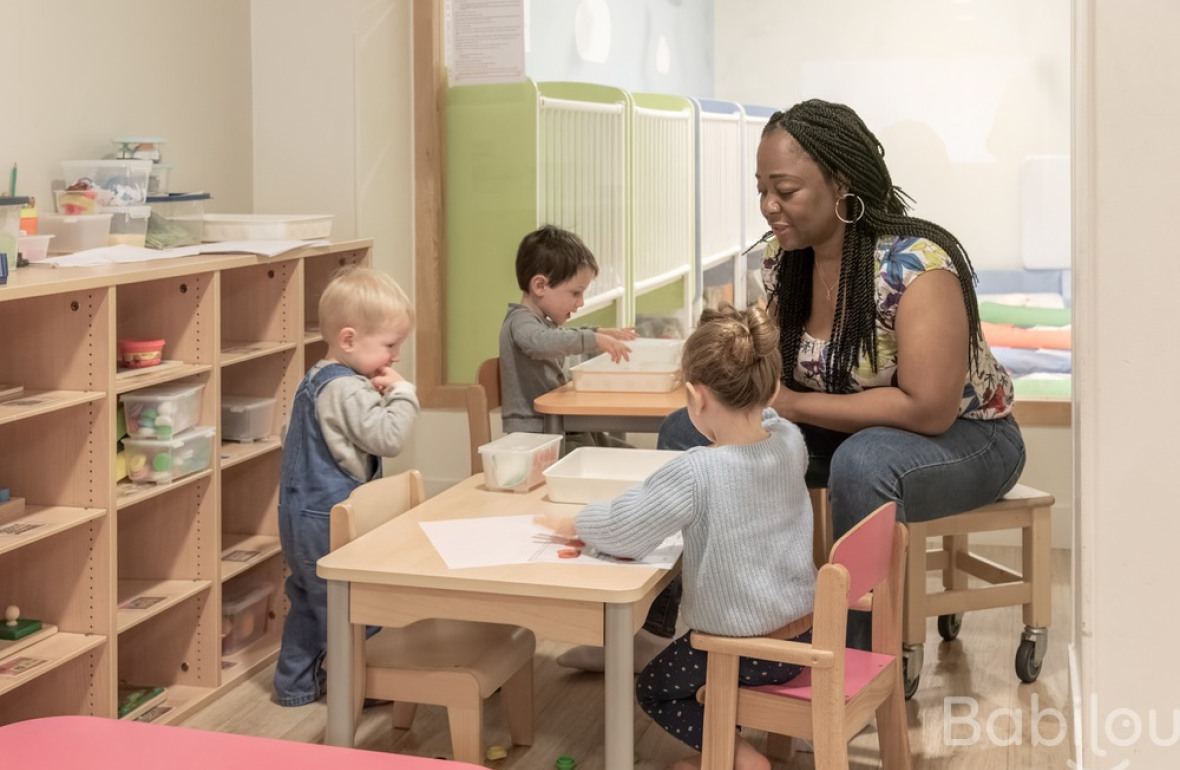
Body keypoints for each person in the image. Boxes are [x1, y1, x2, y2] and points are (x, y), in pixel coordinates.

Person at [659, 99, 1026, 647]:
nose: (768, 206)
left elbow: (928, 409)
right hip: (845, 430)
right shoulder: (788, 260)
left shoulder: (916, 268)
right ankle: (686, 628)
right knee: (686, 430)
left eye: (785, 191)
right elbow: (773, 368)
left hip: (968, 439)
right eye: (762, 189)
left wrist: (793, 406)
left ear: (842, 182)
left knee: (864, 462)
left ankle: (848, 659)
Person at [537, 305, 815, 770]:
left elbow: (626, 531)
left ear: (695, 395)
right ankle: (725, 749)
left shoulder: (697, 471)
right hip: (802, 634)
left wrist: (578, 522)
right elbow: (766, 427)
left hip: (740, 648)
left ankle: (740, 759)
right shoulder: (789, 441)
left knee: (655, 689)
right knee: (689, 672)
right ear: (769, 386)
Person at [274, 266, 419, 706]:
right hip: (326, 516)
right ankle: (362, 682)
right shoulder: (347, 390)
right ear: (350, 340)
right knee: (352, 602)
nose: (395, 357)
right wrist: (404, 394)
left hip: (302, 513)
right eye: (390, 346)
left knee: (308, 598)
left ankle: (295, 685)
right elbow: (388, 439)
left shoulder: (318, 377)